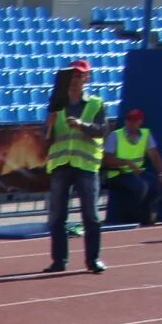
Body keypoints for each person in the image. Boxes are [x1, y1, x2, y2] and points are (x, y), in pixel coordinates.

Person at [43, 60, 107, 275]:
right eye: (72, 76)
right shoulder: (56, 105)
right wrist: (49, 125)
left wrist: (82, 125)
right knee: (58, 216)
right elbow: (47, 138)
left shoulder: (96, 103)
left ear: (87, 78)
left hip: (86, 165)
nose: (75, 80)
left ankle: (93, 259)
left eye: (80, 76)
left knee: (91, 216)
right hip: (62, 164)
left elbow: (101, 131)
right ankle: (59, 260)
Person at [102, 107, 162, 227]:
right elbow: (107, 159)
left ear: (140, 122)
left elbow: (155, 156)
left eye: (134, 121)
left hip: (137, 172)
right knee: (140, 186)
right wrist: (126, 163)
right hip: (117, 174)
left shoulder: (146, 134)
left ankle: (146, 215)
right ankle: (130, 218)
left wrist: (161, 175)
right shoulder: (115, 135)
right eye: (129, 120)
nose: (131, 123)